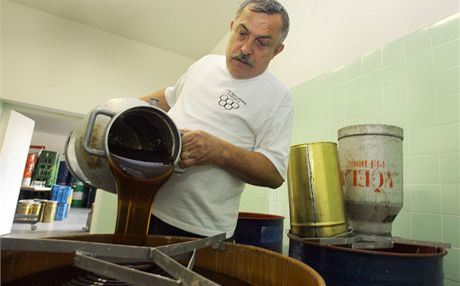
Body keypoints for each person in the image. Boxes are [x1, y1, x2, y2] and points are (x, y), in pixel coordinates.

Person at [142, 0, 292, 240]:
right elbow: (169, 97)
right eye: (242, 34)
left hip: (201, 231)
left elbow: (274, 174)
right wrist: (120, 109)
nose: (245, 48)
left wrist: (218, 151)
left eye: (261, 43)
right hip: (146, 204)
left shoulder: (279, 97)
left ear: (277, 50)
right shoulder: (205, 64)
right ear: (232, 27)